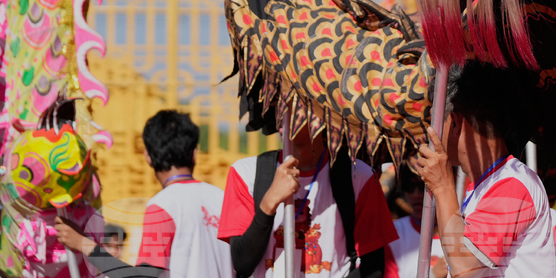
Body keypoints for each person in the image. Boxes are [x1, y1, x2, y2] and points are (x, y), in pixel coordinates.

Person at [414, 64, 556, 278]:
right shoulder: (491, 184)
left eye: (434, 121)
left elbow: (464, 268)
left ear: (454, 123)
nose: (430, 132)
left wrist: (443, 187)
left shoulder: (512, 184)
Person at [55, 110, 234, 278]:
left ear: (147, 156)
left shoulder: (164, 205)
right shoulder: (222, 199)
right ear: (194, 154)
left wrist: (83, 244)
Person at [217, 125, 398, 278]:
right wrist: (269, 204)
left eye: (299, 103)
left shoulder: (359, 177)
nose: (286, 112)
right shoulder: (247, 173)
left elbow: (374, 268)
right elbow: (242, 263)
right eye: (281, 105)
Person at [384, 166, 448, 278]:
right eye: (408, 186)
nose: (416, 195)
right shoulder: (392, 233)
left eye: (423, 186)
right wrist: (432, 276)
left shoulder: (465, 230)